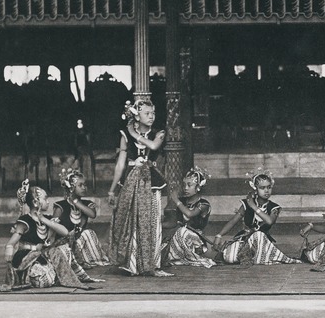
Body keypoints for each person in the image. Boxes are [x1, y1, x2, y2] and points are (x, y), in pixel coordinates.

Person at [108, 100, 172, 277]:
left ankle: (153, 263)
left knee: (152, 220)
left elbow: (153, 146)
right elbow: (120, 165)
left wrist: (132, 132)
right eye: (147, 113)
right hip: (130, 181)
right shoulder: (124, 135)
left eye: (153, 113)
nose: (151, 116)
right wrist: (112, 189)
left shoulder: (159, 133)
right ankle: (133, 264)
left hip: (150, 181)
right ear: (137, 115)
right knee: (131, 221)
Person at [0, 179, 93, 292]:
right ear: (36, 203)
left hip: (43, 256)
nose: (48, 201)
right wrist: (10, 251)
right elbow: (12, 242)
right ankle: (36, 276)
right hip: (28, 258)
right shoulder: (25, 221)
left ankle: (52, 273)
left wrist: (43, 219)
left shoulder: (47, 219)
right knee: (45, 279)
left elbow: (65, 232)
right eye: (45, 198)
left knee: (64, 250)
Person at [213, 169, 301, 265]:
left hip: (261, 241)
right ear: (255, 188)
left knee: (258, 234)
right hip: (245, 239)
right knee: (229, 258)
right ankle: (249, 256)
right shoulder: (246, 204)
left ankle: (257, 257)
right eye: (262, 188)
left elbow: (269, 221)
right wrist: (219, 235)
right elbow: (234, 220)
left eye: (269, 187)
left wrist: (254, 207)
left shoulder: (274, 207)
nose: (266, 190)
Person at [53, 167, 111, 268]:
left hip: (79, 244)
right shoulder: (60, 206)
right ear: (71, 188)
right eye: (80, 185)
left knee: (88, 233)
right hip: (64, 244)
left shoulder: (87, 204)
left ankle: (79, 260)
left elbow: (92, 215)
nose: (84, 188)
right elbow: (54, 228)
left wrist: (76, 202)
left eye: (85, 185)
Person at [164, 167, 217, 268]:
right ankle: (179, 257)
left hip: (196, 240)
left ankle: (188, 256)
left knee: (181, 231)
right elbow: (174, 222)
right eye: (184, 185)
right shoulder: (182, 201)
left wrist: (176, 200)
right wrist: (158, 224)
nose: (185, 188)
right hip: (180, 237)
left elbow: (189, 214)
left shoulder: (203, 204)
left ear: (198, 187)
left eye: (189, 185)